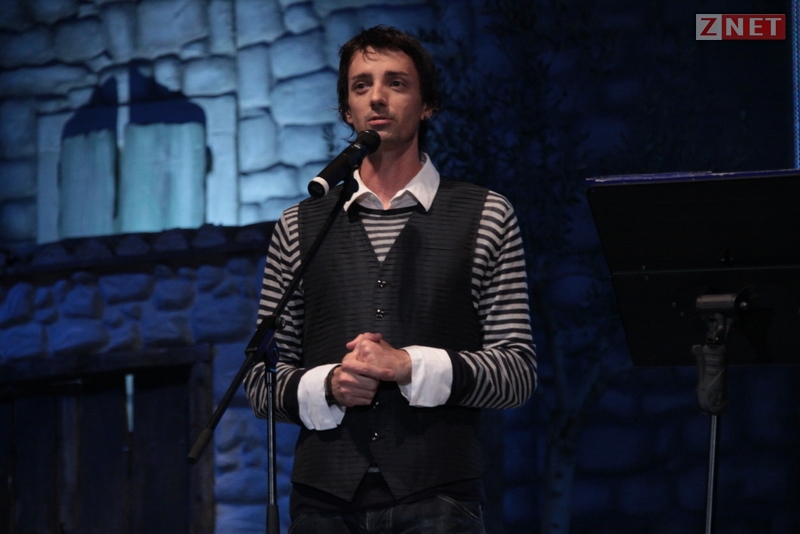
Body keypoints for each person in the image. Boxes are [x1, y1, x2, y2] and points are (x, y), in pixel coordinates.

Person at [244, 25, 537, 533]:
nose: (377, 96)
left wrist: (408, 366)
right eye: (361, 86)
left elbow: (516, 373)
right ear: (347, 110)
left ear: (428, 106)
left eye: (396, 83)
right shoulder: (299, 225)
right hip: (322, 505)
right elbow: (259, 381)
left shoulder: (486, 214)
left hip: (439, 500)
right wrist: (328, 385)